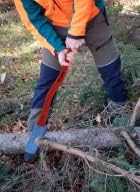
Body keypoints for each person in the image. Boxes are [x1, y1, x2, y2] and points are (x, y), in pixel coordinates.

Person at [14, 0, 127, 163]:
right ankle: (35, 132)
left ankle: (120, 121)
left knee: (111, 70)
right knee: (47, 80)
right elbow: (34, 21)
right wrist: (58, 48)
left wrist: (75, 33)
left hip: (92, 16)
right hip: (55, 26)